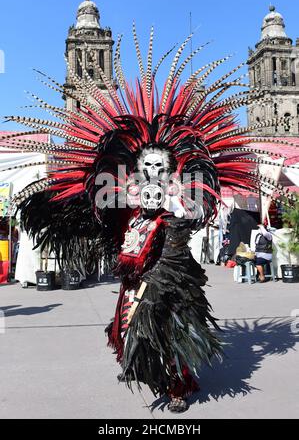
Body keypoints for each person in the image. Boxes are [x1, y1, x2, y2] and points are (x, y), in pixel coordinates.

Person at [3, 27, 297, 413]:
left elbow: (189, 219)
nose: (154, 177)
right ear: (135, 173)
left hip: (169, 286)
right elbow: (101, 221)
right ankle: (159, 372)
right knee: (133, 336)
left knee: (170, 333)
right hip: (133, 287)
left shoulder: (176, 212)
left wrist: (178, 221)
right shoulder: (126, 209)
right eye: (147, 169)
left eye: (162, 169)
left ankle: (177, 384)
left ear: (174, 172)